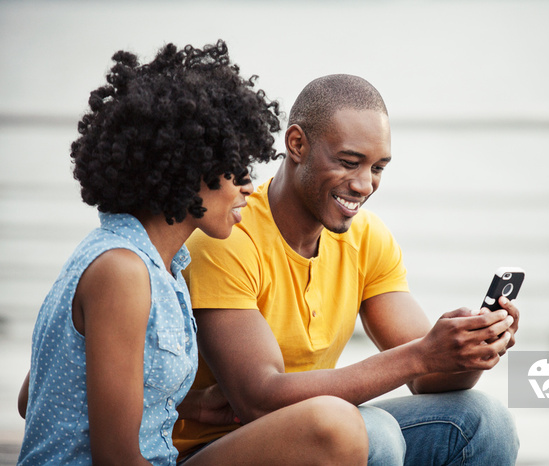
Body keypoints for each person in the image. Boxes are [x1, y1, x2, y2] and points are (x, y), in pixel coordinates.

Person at [17, 45, 368, 466]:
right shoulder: (122, 271)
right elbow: (116, 459)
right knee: (334, 427)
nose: (249, 187)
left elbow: (37, 394)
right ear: (185, 166)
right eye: (235, 168)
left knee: (332, 426)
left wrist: (190, 405)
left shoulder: (155, 263)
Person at [173, 74, 520, 465]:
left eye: (378, 168)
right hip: (215, 449)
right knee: (373, 434)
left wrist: (466, 352)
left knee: (486, 421)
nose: (364, 185)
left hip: (327, 433)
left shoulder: (367, 238)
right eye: (349, 162)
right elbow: (259, 400)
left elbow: (427, 376)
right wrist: (421, 354)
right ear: (297, 144)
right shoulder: (227, 237)